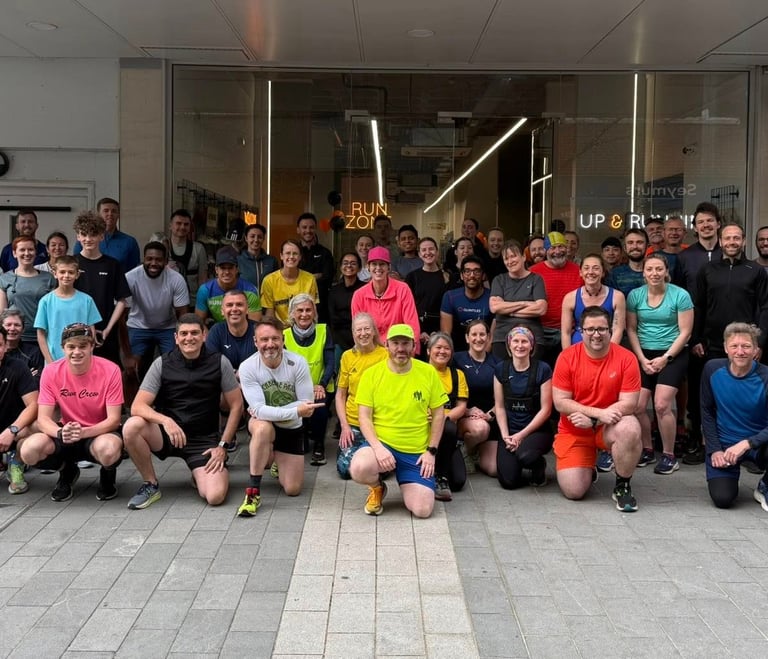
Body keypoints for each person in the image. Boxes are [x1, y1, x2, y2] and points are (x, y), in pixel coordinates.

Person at [122, 314, 241, 509]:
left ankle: (198, 474)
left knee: (215, 496)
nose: (189, 338)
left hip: (203, 440)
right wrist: (166, 421)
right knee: (131, 426)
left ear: (204, 335)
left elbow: (237, 405)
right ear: (176, 338)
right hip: (168, 434)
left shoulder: (220, 362)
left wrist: (222, 446)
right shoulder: (161, 363)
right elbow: (137, 406)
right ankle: (150, 484)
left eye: (194, 333)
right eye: (184, 334)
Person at [349, 324, 448, 518]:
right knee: (359, 467)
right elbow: (364, 417)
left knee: (422, 510)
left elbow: (439, 414)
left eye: (405, 343)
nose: (400, 348)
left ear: (414, 346)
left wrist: (431, 452)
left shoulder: (428, 372)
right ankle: (377, 487)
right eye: (395, 343)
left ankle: (408, 480)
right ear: (386, 345)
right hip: (383, 445)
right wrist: (378, 448)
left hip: (416, 452)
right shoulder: (371, 374)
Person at [551, 306, 643, 512]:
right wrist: (598, 414)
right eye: (590, 329)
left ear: (610, 330)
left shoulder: (626, 358)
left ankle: (622, 486)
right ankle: (587, 469)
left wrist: (595, 421)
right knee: (574, 491)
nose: (596, 334)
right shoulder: (566, 357)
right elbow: (560, 402)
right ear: (580, 331)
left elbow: (630, 403)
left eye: (601, 329)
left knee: (630, 427)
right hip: (575, 429)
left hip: (608, 427)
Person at [20, 323, 123, 502]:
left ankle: (107, 473)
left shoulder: (111, 369)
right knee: (29, 451)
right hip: (65, 431)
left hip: (99, 431)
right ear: (63, 348)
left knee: (108, 450)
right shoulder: (51, 371)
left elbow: (114, 420)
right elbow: (43, 419)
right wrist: (60, 432)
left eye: (83, 346)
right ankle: (66, 470)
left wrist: (84, 432)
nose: (77, 352)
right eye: (71, 347)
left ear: (92, 346)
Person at [237, 319, 322, 516]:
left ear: (283, 340)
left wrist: (266, 411)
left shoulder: (297, 362)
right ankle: (253, 492)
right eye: (264, 339)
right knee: (261, 428)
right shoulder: (247, 367)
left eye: (275, 338)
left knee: (293, 489)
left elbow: (307, 404)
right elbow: (260, 410)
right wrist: (295, 410)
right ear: (255, 342)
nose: (270, 344)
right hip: (268, 425)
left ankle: (276, 458)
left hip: (291, 427)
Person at [626, 253, 693, 474]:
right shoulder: (635, 295)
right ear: (643, 273)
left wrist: (666, 358)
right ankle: (647, 449)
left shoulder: (680, 295)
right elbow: (631, 329)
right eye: (650, 269)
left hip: (673, 352)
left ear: (666, 272)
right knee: (637, 406)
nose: (654, 273)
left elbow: (685, 332)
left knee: (662, 404)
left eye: (658, 269)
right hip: (643, 353)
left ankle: (669, 455)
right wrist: (641, 359)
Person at [674, 202, 722, 463]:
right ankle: (694, 437)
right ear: (694, 228)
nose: (706, 225)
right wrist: (692, 337)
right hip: (693, 332)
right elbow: (678, 297)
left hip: (724, 334)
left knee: (722, 388)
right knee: (695, 388)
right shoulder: (685, 257)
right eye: (701, 222)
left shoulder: (729, 253)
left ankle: (720, 439)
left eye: (710, 221)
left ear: (718, 224)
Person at [701, 322, 768, 509]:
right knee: (723, 498)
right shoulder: (712, 369)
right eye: (734, 346)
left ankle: (765, 486)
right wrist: (714, 449)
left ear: (756, 349)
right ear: (725, 348)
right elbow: (707, 411)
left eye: (746, 346)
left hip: (758, 444)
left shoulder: (766, 376)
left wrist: (747, 443)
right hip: (724, 446)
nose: (740, 351)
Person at [493, 326, 553, 488]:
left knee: (526, 456)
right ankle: (516, 464)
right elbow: (499, 406)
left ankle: (538, 466)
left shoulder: (543, 369)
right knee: (508, 482)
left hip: (536, 431)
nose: (520, 345)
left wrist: (521, 436)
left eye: (525, 341)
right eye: (516, 341)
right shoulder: (501, 369)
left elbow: (546, 410)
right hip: (510, 430)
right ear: (509, 344)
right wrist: (505, 435)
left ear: (531, 345)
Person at [124, 240, 190, 383]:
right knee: (132, 368)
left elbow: (183, 315)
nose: (153, 263)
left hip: (167, 327)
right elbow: (122, 315)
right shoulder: (130, 277)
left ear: (166, 261)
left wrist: (182, 340)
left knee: (175, 365)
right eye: (149, 259)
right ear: (143, 259)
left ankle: (167, 395)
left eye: (158, 259)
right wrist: (126, 352)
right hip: (138, 326)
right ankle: (136, 396)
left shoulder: (176, 279)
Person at [73, 210, 131, 366]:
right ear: (78, 236)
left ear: (101, 236)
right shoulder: (71, 264)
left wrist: (108, 329)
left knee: (107, 371)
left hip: (105, 333)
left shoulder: (112, 265)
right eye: (84, 234)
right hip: (76, 332)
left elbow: (122, 300)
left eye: (93, 234)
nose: (88, 239)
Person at [283, 294, 335, 466]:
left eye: (308, 310)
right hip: (294, 388)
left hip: (320, 386)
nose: (304, 314)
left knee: (319, 405)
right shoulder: (284, 335)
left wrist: (321, 384)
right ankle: (302, 435)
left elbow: (330, 362)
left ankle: (319, 444)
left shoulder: (323, 330)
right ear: (292, 313)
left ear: (314, 312)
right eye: (300, 310)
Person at [335, 313, 388, 479]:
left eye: (367, 329)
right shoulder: (347, 356)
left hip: (379, 423)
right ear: (353, 333)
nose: (363, 333)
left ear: (374, 331)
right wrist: (344, 426)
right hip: (354, 422)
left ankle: (367, 454)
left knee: (384, 469)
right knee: (344, 470)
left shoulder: (386, 355)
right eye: (359, 330)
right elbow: (340, 395)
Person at [453, 320, 501, 476]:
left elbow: (503, 397)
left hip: (489, 418)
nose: (478, 338)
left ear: (488, 337)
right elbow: (448, 393)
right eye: (474, 334)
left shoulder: (497, 363)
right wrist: (466, 411)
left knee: (494, 469)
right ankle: (466, 451)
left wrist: (490, 414)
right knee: (480, 428)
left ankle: (477, 450)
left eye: (482, 334)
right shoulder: (456, 359)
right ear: (467, 338)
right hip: (464, 417)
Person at [351, 246, 420, 353]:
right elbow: (358, 329)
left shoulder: (403, 289)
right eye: (374, 264)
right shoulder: (359, 295)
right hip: (371, 351)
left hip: (398, 350)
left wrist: (411, 350)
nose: (378, 268)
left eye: (382, 264)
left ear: (389, 267)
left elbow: (412, 324)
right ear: (368, 267)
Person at [34, 256, 101, 364]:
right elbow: (41, 334)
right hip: (55, 360)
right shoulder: (46, 301)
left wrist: (89, 356)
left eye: (71, 272)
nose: (66, 275)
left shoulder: (86, 300)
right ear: (55, 273)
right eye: (62, 272)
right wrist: (50, 362)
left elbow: (91, 331)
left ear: (77, 274)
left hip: (80, 359)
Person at [530, 232, 583, 366]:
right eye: (553, 248)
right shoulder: (533, 272)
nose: (557, 251)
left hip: (571, 331)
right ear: (545, 250)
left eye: (561, 247)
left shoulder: (579, 271)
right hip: (541, 331)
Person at [489, 240, 547, 359]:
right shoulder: (499, 280)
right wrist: (524, 303)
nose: (510, 261)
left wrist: (508, 310)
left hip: (532, 337)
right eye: (506, 258)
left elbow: (541, 309)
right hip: (502, 337)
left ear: (524, 256)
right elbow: (495, 307)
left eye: (513, 256)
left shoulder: (536, 279)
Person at [427, 332, 468, 501]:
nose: (442, 351)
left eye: (447, 348)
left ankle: (441, 474)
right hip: (423, 429)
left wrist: (441, 418)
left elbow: (461, 407)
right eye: (438, 347)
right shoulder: (419, 371)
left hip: (447, 431)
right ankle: (439, 477)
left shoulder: (457, 375)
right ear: (428, 351)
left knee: (458, 482)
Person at [0, 325, 39, 495]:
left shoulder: (18, 367)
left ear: (5, 346)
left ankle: (16, 462)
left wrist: (12, 430)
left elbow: (34, 404)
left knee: (38, 425)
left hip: (15, 429)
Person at [0, 236, 56, 352]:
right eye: (22, 250)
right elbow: (2, 313)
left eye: (30, 249)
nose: (27, 253)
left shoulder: (48, 278)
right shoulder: (4, 279)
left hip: (41, 337)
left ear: (36, 252)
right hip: (13, 339)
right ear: (14, 253)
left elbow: (53, 311)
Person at [561, 254, 625, 348]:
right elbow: (565, 332)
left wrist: (609, 353)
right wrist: (567, 355)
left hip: (607, 347)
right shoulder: (570, 298)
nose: (590, 272)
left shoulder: (617, 297)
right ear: (580, 272)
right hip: (577, 347)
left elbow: (618, 330)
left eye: (596, 268)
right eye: (586, 268)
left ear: (603, 272)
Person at [440, 255, 493, 353]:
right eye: (467, 271)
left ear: (483, 275)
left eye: (476, 271)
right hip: (456, 352)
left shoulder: (492, 298)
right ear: (461, 275)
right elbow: (446, 334)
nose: (472, 275)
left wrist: (482, 358)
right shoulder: (450, 297)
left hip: (483, 353)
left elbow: (492, 338)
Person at [195, 246, 261, 324]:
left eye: (230, 268)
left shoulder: (250, 291)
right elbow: (199, 323)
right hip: (217, 329)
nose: (227, 272)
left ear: (237, 269)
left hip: (244, 329)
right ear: (216, 270)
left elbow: (255, 325)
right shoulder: (205, 290)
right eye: (223, 268)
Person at [260, 239, 319, 326]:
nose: (291, 256)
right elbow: (270, 315)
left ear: (300, 257)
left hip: (303, 328)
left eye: (295, 253)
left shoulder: (310, 279)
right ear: (281, 256)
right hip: (280, 329)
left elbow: (312, 312)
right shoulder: (269, 280)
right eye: (287, 253)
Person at [74, 198, 140, 272]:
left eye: (114, 211)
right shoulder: (85, 241)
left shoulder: (129, 242)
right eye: (106, 211)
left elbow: (133, 272)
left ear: (118, 215)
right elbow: (76, 265)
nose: (110, 214)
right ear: (98, 214)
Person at [406, 237, 448, 354]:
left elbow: (449, 307)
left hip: (441, 328)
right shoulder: (412, 277)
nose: (428, 253)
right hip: (418, 327)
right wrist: (419, 331)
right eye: (424, 250)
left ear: (437, 251)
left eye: (431, 249)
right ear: (419, 254)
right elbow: (409, 307)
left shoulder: (447, 277)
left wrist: (439, 332)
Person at [205, 289, 257, 375]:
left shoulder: (259, 330)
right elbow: (211, 363)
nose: (234, 309)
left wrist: (244, 373)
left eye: (239, 304)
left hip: (255, 379)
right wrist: (234, 373)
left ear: (247, 309)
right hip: (225, 380)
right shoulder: (216, 331)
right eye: (229, 305)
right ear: (222, 311)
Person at [327, 251, 365, 368]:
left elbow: (365, 316)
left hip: (361, 338)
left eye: (353, 263)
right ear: (340, 267)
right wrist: (351, 318)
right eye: (345, 263)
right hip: (339, 340)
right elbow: (333, 318)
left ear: (359, 268)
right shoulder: (334, 291)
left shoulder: (365, 289)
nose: (349, 266)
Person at [296, 213, 335, 322]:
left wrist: (302, 277)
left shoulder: (325, 253)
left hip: (321, 308)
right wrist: (316, 276)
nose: (308, 230)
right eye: (304, 227)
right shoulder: (293, 253)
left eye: (311, 227)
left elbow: (327, 278)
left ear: (315, 229)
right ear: (298, 230)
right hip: (297, 307)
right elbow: (290, 277)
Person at [168, 209, 208, 298]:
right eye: (178, 223)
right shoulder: (162, 248)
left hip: (192, 300)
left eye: (186, 224)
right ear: (170, 226)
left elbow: (203, 279)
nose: (182, 227)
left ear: (190, 227)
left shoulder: (199, 249)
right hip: (167, 299)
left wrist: (202, 301)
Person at [1, 309, 43, 380]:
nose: (12, 328)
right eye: (8, 325)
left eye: (17, 325)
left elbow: (36, 381)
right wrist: (24, 376)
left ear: (23, 329)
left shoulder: (33, 352)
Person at [607, 228, 648, 299]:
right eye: (630, 243)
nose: (635, 246)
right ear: (625, 248)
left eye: (639, 242)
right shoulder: (615, 274)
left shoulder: (656, 272)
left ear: (647, 246)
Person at [238, 223, 278, 291]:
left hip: (267, 297)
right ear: (246, 238)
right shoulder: (238, 261)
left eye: (259, 237)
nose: (256, 240)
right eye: (252, 236)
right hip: (245, 297)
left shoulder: (272, 261)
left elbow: (276, 283)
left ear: (263, 239)